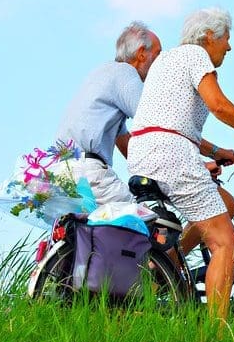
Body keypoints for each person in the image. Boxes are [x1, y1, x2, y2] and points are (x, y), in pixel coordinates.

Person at [127, 7, 234, 320]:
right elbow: (219, 106)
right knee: (225, 241)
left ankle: (167, 269)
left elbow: (169, 120)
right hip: (170, 154)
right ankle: (214, 337)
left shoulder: (167, 61)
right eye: (226, 38)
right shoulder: (196, 55)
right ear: (210, 36)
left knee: (224, 203)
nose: (228, 46)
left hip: (145, 152)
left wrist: (215, 151)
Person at [55, 21, 162, 206]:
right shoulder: (126, 73)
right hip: (88, 172)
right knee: (146, 222)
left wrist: (159, 172)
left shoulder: (102, 73)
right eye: (158, 54)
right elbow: (156, 122)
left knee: (91, 231)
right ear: (141, 53)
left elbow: (126, 144)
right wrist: (193, 165)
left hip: (62, 171)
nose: (160, 62)